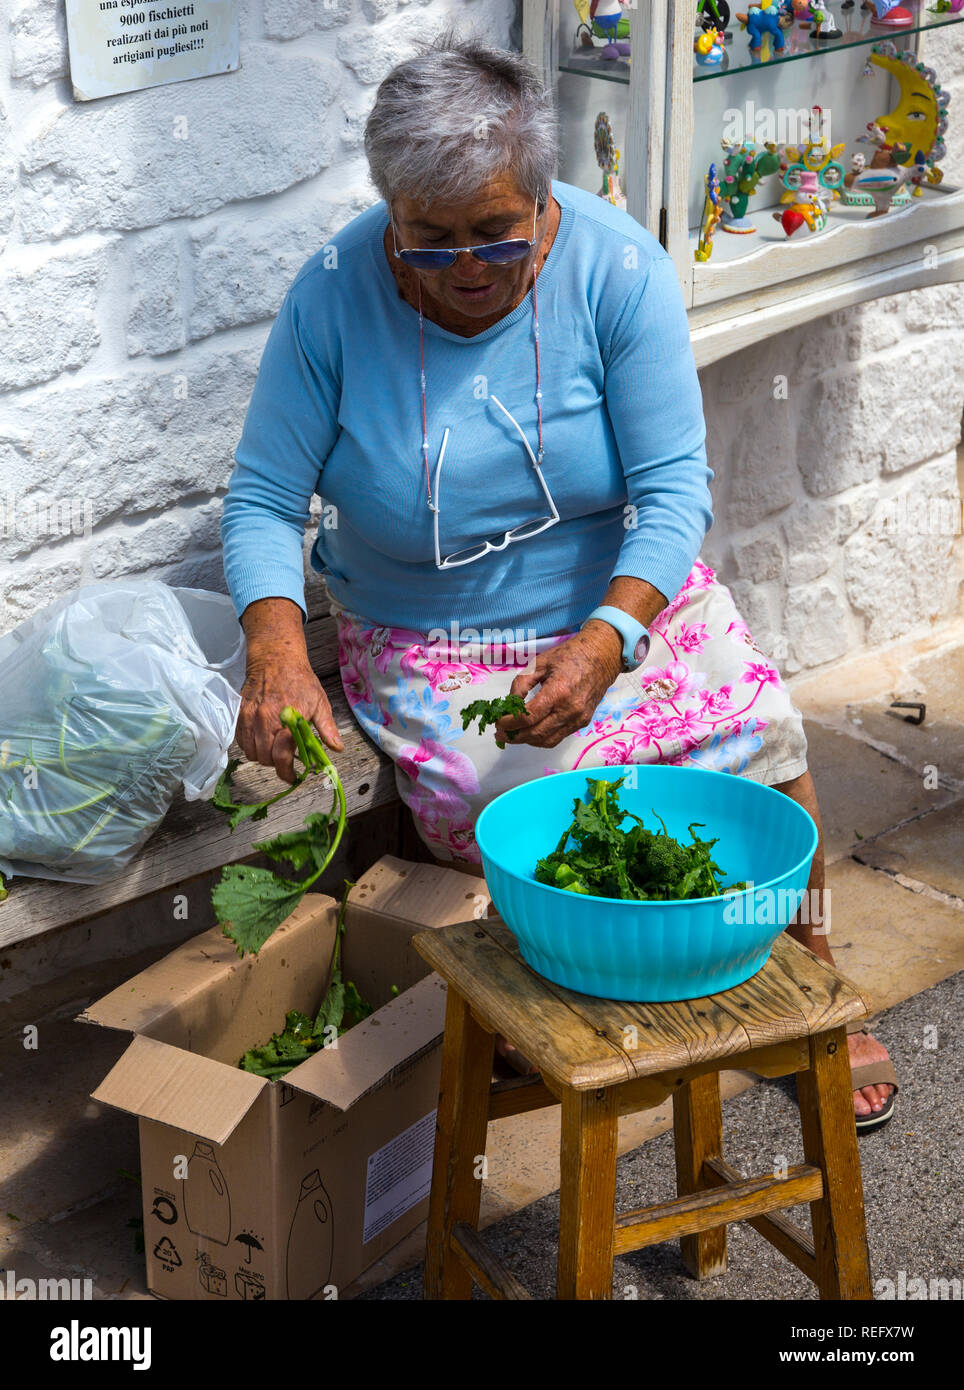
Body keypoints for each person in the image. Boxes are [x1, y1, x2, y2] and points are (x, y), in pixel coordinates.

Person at [219, 34, 896, 1131]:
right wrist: (278, 648)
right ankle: (593, 1003)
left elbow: (675, 490)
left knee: (762, 729)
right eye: (428, 244)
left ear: (544, 204)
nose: (466, 269)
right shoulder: (335, 294)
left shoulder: (617, 268)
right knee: (533, 792)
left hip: (620, 597)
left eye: (495, 235)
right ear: (389, 217)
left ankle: (812, 949)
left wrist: (608, 638)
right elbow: (261, 497)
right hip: (431, 631)